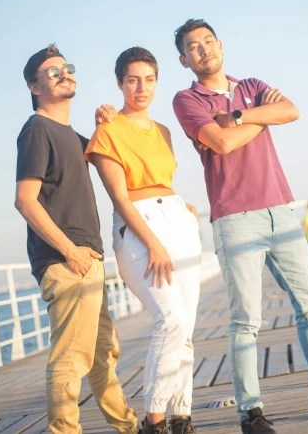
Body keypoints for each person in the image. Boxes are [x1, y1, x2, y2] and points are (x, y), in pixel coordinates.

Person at [171, 19, 308, 434]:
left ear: (221, 45)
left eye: (209, 41)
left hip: (281, 210)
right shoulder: (187, 99)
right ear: (184, 59)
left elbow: (292, 111)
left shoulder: (250, 85)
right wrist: (267, 117)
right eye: (194, 47)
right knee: (246, 320)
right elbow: (222, 142)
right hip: (235, 218)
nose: (204, 50)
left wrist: (241, 115)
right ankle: (251, 412)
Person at [14, 44, 140, 434]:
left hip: (88, 260)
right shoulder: (37, 130)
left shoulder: (72, 135)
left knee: (103, 354)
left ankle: (129, 427)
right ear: (35, 86)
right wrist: (70, 252)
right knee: (71, 358)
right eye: (52, 72)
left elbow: (118, 163)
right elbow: (25, 201)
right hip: (68, 261)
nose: (64, 73)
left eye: (67, 67)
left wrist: (108, 120)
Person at [85, 47, 203, 434]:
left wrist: (179, 206)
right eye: (132, 79)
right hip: (139, 231)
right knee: (169, 321)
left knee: (185, 328)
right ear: (120, 82)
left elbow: (161, 181)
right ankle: (154, 422)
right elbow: (120, 196)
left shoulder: (164, 131)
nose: (141, 88)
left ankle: (181, 416)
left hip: (178, 224)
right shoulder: (108, 129)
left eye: (149, 79)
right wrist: (153, 242)